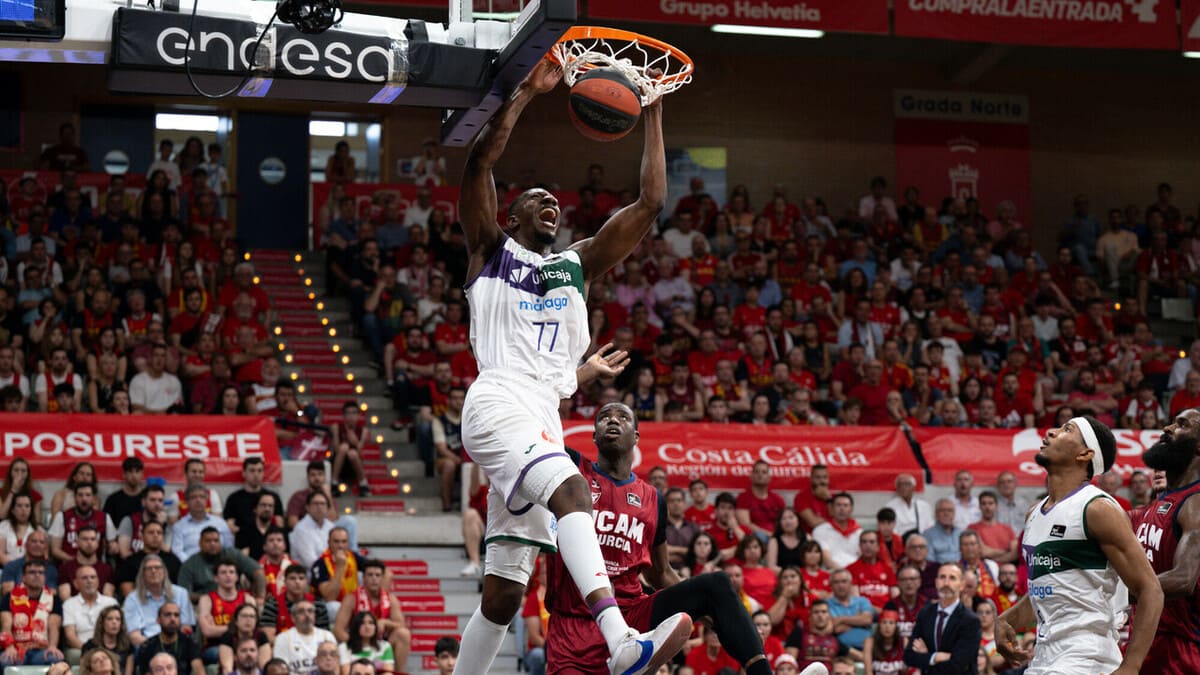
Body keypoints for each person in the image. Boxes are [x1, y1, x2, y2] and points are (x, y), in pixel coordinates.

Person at [453, 59, 688, 675]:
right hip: (499, 400)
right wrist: (527, 93)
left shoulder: (577, 264)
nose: (550, 204)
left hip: (542, 414)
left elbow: (650, 201)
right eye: (536, 200)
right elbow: (479, 163)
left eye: (556, 201)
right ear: (511, 217)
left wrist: (653, 108)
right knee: (573, 491)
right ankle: (620, 640)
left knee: (504, 596)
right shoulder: (489, 251)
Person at [544, 403, 776, 675]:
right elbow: (536, 425)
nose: (613, 421)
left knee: (717, 585)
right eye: (604, 417)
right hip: (574, 623)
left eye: (623, 417)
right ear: (594, 435)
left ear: (636, 437)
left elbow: (660, 572)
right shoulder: (570, 469)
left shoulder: (654, 499)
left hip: (632, 614)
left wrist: (708, 608)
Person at [995, 416, 1163, 674]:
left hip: (1086, 656)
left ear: (1085, 453)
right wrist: (1007, 619)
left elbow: (1150, 589)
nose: (1050, 432)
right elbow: (1052, 591)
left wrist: (1131, 666)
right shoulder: (1034, 513)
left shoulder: (1097, 508)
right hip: (1044, 655)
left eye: (1066, 429)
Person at [1133, 408, 1200, 673]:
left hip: (1180, 651)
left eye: (1181, 425)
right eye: (1171, 423)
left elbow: (1184, 579)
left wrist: (1117, 594)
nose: (1168, 429)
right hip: (1149, 640)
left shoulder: (1195, 504)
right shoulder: (1161, 501)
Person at [902, 563, 981, 674]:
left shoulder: (970, 620)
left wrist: (926, 655)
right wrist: (936, 657)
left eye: (952, 578)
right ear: (936, 582)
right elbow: (909, 657)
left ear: (962, 585)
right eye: (942, 577)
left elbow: (958, 665)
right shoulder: (925, 613)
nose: (946, 583)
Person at [331, 559, 409, 672]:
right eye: (370, 575)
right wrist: (359, 643)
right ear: (363, 577)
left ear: (382, 578)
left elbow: (401, 624)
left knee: (403, 634)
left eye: (378, 575)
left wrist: (385, 622)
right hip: (356, 643)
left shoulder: (391, 599)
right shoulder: (352, 598)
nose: (374, 579)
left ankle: (398, 673)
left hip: (381, 644)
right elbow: (338, 630)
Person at [0, 559, 64, 666]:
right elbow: (6, 625)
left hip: (42, 649)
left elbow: (54, 626)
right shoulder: (10, 597)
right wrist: (9, 647)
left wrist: (52, 646)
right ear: (23, 577)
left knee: (54, 659)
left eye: (41, 572)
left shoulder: (53, 599)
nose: (37, 575)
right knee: (6, 660)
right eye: (32, 572)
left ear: (45, 577)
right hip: (16, 648)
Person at [122, 555, 195, 648]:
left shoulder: (181, 594)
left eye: (157, 567)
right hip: (147, 647)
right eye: (149, 569)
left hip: (177, 646)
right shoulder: (132, 599)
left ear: (164, 571)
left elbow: (186, 628)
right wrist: (157, 648)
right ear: (143, 574)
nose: (153, 571)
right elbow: (134, 636)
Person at [49, 483, 117, 563]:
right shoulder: (62, 517)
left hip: (95, 567)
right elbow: (55, 550)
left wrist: (113, 547)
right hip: (69, 565)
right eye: (80, 495)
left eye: (88, 495)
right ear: (75, 498)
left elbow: (112, 544)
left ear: (93, 498)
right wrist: (77, 561)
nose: (84, 499)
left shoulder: (104, 517)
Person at [260, 565, 331, 642]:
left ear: (306, 582)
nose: (297, 582)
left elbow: (324, 635)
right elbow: (268, 637)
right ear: (285, 582)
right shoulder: (273, 604)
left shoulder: (318, 604)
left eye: (301, 578)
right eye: (292, 578)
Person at [134, 603, 204, 675]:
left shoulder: (190, 642)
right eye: (168, 615)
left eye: (176, 615)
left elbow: (199, 671)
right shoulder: (147, 646)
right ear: (158, 620)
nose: (172, 619)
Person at [271, 600, 335, 675]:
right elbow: (281, 670)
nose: (307, 615)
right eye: (301, 611)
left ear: (314, 616)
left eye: (310, 611)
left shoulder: (327, 636)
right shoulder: (283, 638)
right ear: (293, 618)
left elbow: (336, 666)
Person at [171, 485, 233, 561]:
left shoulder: (220, 523)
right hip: (190, 567)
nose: (198, 500)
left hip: (218, 567)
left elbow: (229, 548)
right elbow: (177, 551)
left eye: (202, 497)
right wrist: (191, 565)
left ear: (207, 500)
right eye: (193, 497)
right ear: (186, 502)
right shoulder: (179, 526)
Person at [61, 565, 118, 649]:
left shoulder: (111, 602)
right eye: (84, 578)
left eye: (93, 577)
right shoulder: (69, 604)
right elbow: (70, 636)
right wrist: (88, 651)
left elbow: (118, 632)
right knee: (73, 655)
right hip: (81, 649)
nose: (89, 581)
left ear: (98, 581)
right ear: (76, 584)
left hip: (109, 648)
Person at [736, 461, 787, 543]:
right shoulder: (743, 498)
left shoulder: (777, 499)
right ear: (751, 476)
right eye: (756, 472)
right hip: (754, 538)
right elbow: (745, 524)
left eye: (764, 472)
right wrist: (769, 534)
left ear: (769, 478)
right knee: (760, 537)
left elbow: (785, 521)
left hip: (776, 536)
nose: (760, 475)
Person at [811, 493, 861, 569]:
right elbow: (827, 561)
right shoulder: (820, 530)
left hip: (856, 572)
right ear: (832, 509)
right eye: (838, 505)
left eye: (845, 505)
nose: (842, 509)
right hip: (831, 572)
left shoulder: (859, 532)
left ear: (851, 509)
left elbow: (863, 558)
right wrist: (844, 574)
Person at [81, 606, 133, 674]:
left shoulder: (127, 645)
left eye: (118, 619)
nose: (114, 622)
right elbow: (84, 671)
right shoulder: (89, 646)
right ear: (102, 623)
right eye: (109, 619)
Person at [884, 473, 932, 537]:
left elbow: (929, 526)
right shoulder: (890, 506)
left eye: (907, 484)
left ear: (913, 487)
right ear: (897, 488)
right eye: (900, 484)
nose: (903, 487)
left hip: (921, 540)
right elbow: (890, 530)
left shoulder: (923, 505)